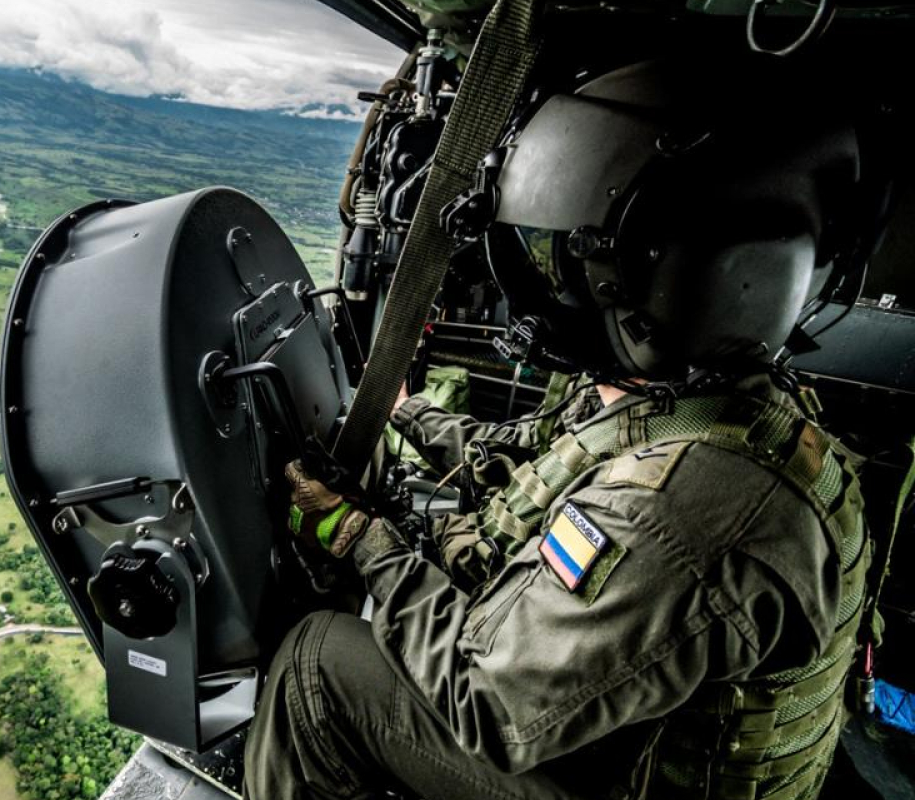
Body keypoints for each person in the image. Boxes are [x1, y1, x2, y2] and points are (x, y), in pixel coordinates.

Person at [243, 57, 883, 800]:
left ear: (676, 287)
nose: (551, 294)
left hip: (599, 759)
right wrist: (407, 413)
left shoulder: (690, 508)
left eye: (579, 270)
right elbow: (537, 460)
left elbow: (484, 703)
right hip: (642, 736)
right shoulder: (715, 402)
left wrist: (363, 543)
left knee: (315, 665)